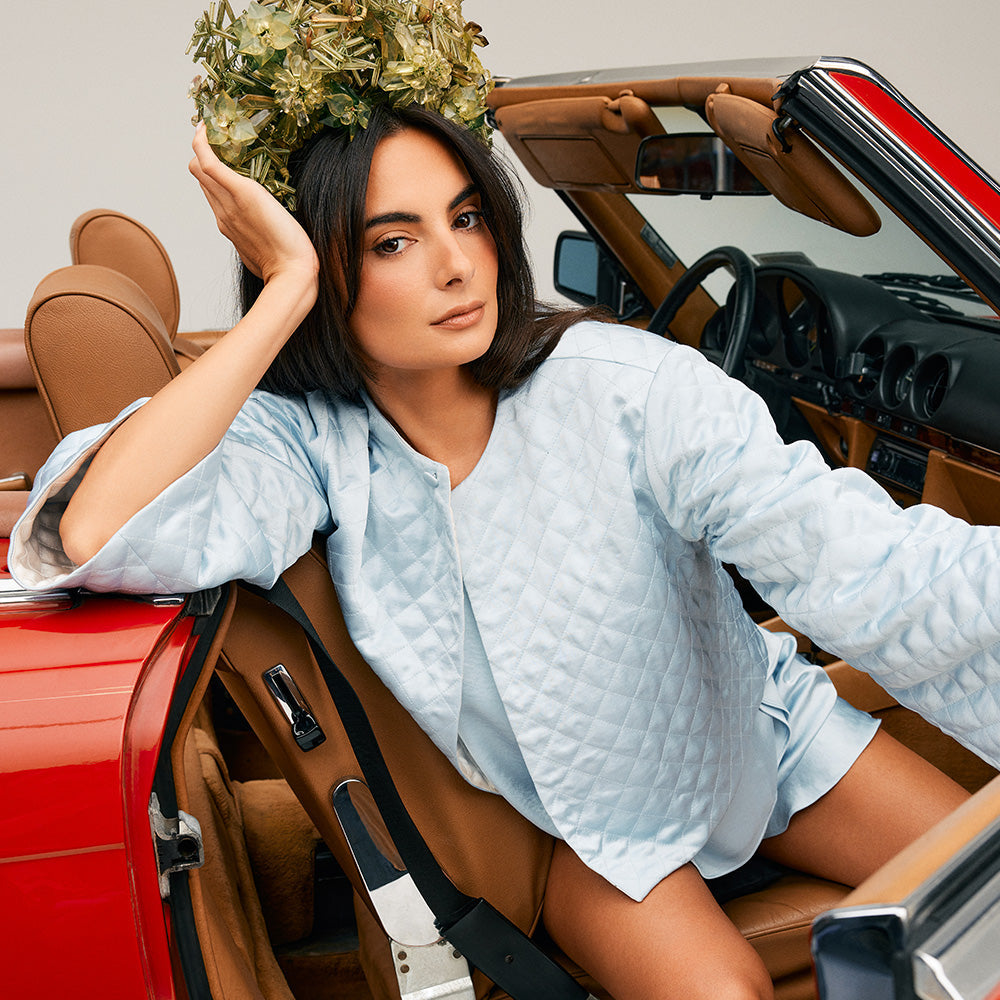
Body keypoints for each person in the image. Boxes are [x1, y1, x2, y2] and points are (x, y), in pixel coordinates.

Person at [9, 6, 1000, 999]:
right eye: (393, 241)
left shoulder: (628, 384)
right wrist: (285, 294)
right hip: (578, 823)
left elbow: (864, 568)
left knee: (988, 917)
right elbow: (75, 536)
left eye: (467, 216)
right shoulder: (305, 446)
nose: (454, 264)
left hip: (760, 732)